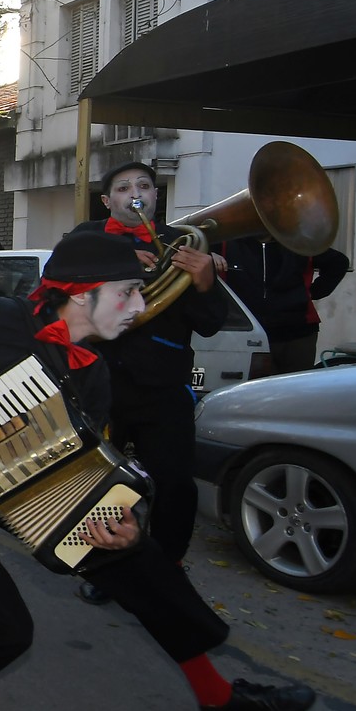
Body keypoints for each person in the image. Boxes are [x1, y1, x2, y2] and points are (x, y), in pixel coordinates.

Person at [0, 231, 317, 711]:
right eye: (127, 291)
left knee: (136, 558)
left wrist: (123, 522)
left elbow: (87, 466)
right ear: (82, 293)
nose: (139, 305)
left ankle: (219, 698)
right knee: (3, 627)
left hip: (30, 485)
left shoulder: (95, 372)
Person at [70, 161, 227, 595]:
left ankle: (168, 563)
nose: (134, 192)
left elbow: (212, 322)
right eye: (123, 187)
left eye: (144, 186)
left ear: (156, 197)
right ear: (107, 201)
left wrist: (205, 281)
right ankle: (104, 566)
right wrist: (118, 266)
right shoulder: (84, 238)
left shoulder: (183, 245)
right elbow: (58, 296)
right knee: (103, 481)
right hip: (98, 383)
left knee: (175, 483)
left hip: (162, 384)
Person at [217, 238, 349, 373]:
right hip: (245, 332)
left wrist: (312, 293)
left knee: (296, 389)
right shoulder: (228, 243)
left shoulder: (298, 243)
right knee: (252, 390)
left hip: (297, 332)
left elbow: (339, 263)